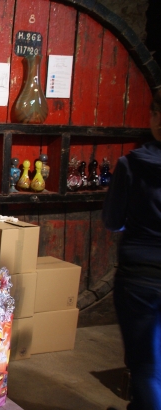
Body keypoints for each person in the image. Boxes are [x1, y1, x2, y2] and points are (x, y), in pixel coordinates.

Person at [103, 89, 161, 410]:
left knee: (144, 366)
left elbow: (113, 221)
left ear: (154, 117)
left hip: (139, 277)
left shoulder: (130, 165)